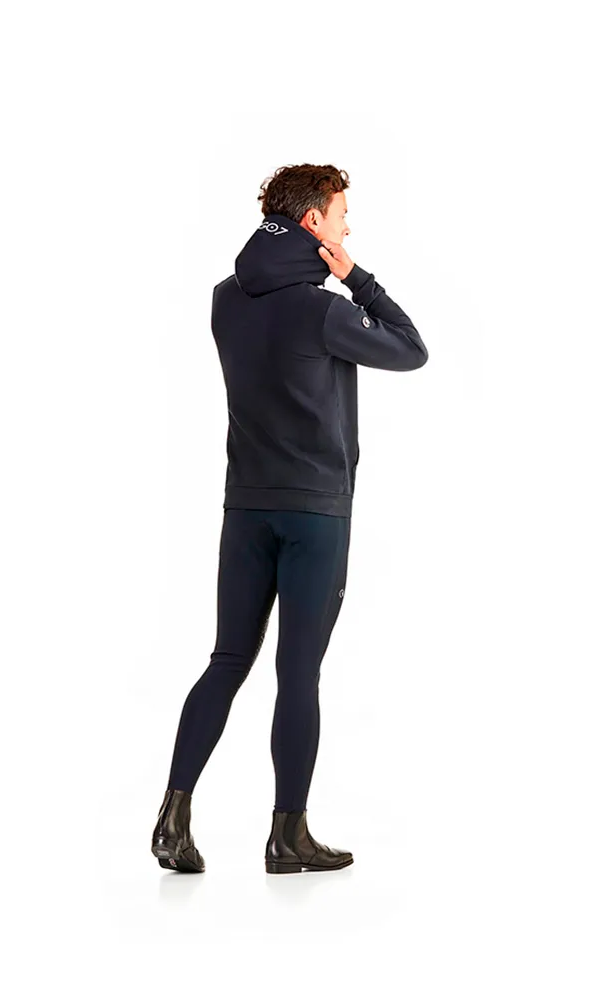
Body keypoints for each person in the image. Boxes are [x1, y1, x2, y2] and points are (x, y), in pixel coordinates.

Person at [151, 164, 428, 874]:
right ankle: (287, 836)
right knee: (297, 673)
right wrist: (356, 278)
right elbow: (411, 349)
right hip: (315, 513)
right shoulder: (323, 310)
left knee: (226, 661)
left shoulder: (224, 299)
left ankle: (172, 819)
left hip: (245, 507)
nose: (347, 226)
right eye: (340, 214)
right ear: (312, 223)